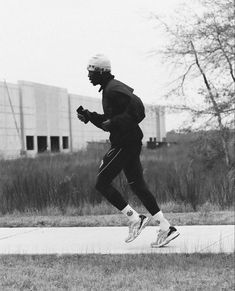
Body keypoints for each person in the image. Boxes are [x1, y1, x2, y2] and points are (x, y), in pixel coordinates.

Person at [77, 54, 179, 247]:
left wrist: (114, 122)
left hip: (124, 144)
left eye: (91, 72)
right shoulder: (109, 89)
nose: (88, 76)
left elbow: (138, 110)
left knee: (102, 183)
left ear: (101, 72)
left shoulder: (114, 89)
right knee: (138, 186)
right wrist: (90, 116)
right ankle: (166, 227)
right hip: (128, 142)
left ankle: (134, 219)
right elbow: (111, 122)